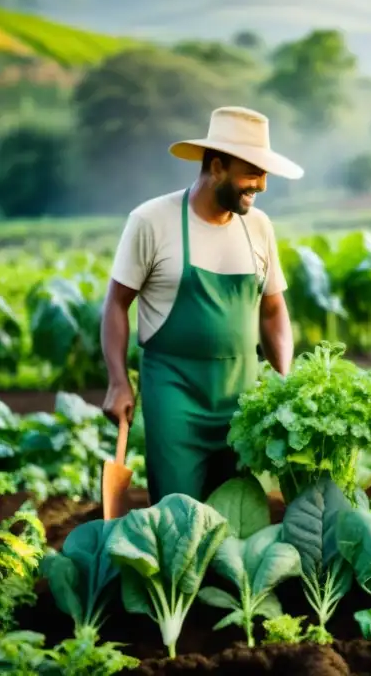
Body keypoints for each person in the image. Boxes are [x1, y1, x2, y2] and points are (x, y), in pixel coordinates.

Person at [101, 106, 303, 505]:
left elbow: (273, 309)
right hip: (174, 395)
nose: (261, 185)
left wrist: (283, 378)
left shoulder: (259, 226)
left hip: (241, 398)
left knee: (237, 517)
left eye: (263, 174)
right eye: (251, 173)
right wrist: (118, 380)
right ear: (216, 167)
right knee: (180, 513)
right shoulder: (151, 221)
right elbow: (115, 305)